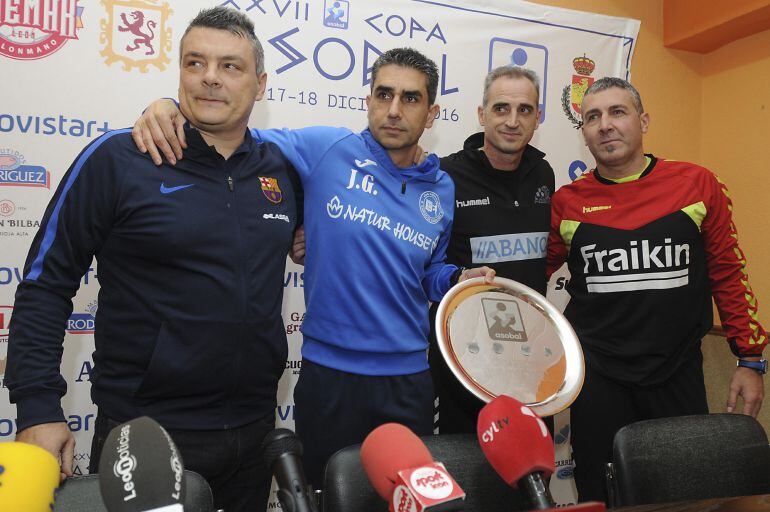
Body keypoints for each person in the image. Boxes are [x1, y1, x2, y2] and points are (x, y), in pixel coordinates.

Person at [131, 48, 495, 487]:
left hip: (409, 380)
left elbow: (429, 270)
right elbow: (233, 135)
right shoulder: (327, 149)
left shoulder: (441, 187)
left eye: (411, 98)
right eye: (384, 94)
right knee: (325, 495)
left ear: (433, 112)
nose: (394, 110)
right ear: (368, 100)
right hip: (329, 376)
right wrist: (170, 107)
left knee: (404, 499)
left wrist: (454, 279)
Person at [6, 7, 302, 510]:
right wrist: (37, 408)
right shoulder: (119, 159)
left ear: (261, 83)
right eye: (195, 63)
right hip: (142, 435)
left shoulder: (284, 170)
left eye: (230, 66)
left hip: (254, 434)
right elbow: (44, 286)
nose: (210, 77)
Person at [546, 77, 766, 502]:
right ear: (585, 133)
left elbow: (729, 273)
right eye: (592, 117)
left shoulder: (697, 184)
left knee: (684, 493)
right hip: (597, 378)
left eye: (617, 112)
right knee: (602, 492)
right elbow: (529, 276)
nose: (605, 125)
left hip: (677, 371)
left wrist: (751, 359)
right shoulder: (567, 202)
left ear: (643, 120)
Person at [430, 66, 555, 434]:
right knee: (466, 472)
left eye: (525, 110)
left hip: (532, 360)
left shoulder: (544, 174)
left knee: (531, 476)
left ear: (538, 117)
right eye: (501, 109)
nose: (512, 121)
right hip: (464, 358)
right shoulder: (444, 176)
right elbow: (421, 260)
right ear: (482, 114)